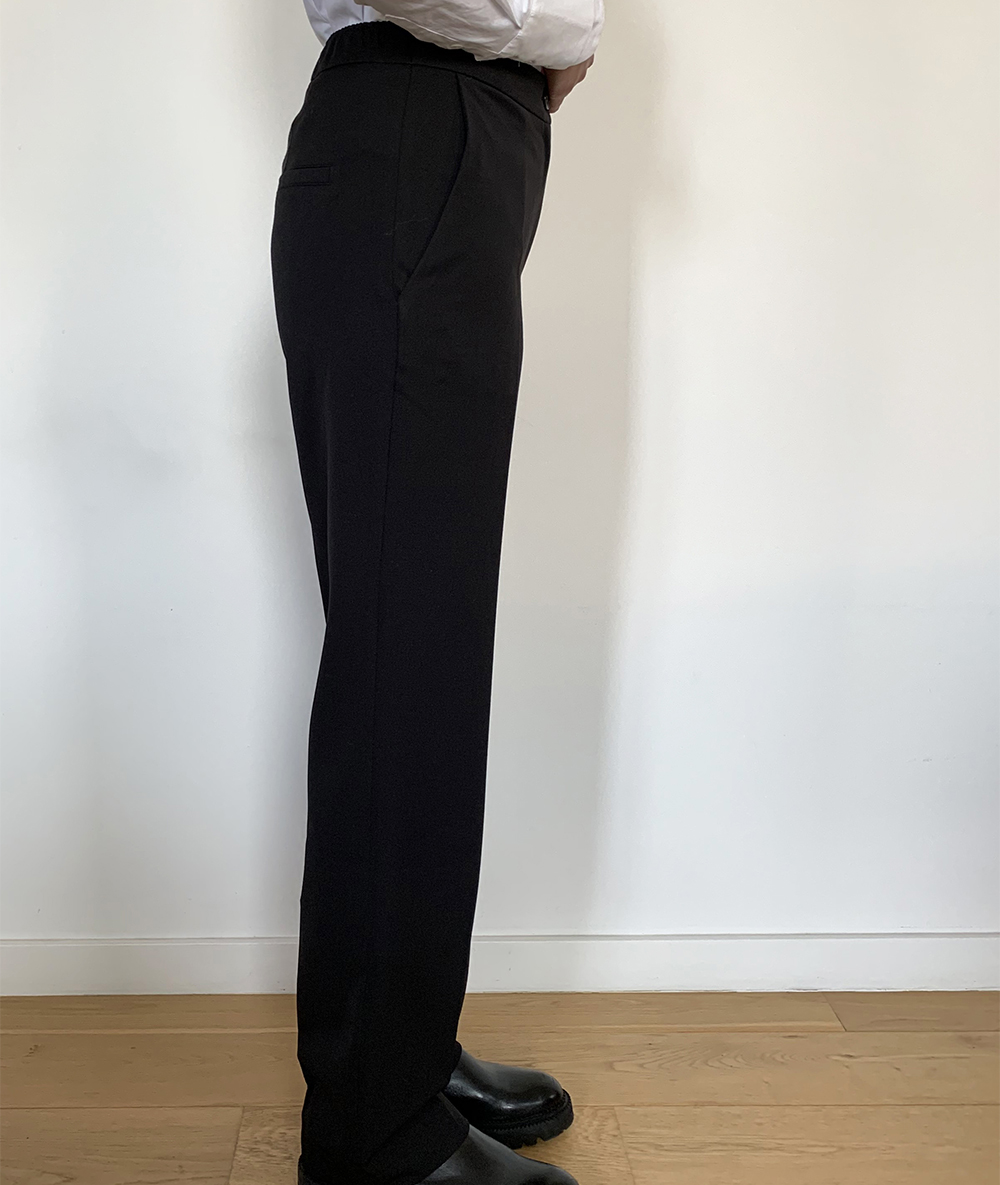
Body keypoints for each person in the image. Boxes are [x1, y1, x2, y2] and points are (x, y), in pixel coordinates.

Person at [270, 3, 602, 1183]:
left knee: (417, 647)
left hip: (440, 143)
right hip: (424, 123)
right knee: (408, 663)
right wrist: (554, 32)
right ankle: (378, 1133)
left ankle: (396, 1052)